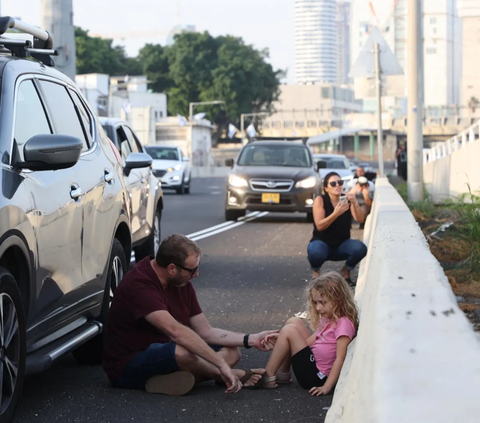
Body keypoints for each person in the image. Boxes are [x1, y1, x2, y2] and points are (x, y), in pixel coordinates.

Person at [102, 234, 277, 396]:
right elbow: (176, 332)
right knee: (185, 353)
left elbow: (205, 331)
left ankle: (180, 377)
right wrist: (222, 365)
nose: (197, 274)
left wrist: (251, 339)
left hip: (166, 351)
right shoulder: (139, 285)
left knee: (232, 352)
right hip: (128, 364)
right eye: (192, 270)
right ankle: (228, 375)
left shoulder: (180, 283)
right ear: (171, 268)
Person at [254, 271, 358, 395]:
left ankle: (268, 377)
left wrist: (326, 387)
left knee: (290, 330)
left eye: (322, 302)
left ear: (338, 299)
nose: (318, 308)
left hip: (317, 377)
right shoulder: (330, 317)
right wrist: (284, 340)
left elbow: (340, 359)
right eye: (315, 303)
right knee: (294, 322)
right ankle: (284, 375)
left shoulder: (344, 324)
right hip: (312, 362)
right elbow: (310, 341)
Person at [307, 172, 368, 286]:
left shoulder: (346, 199)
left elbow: (360, 219)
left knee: (360, 248)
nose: (337, 186)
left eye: (340, 182)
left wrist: (354, 203)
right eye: (333, 183)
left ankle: (346, 271)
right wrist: (336, 213)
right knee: (315, 251)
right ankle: (316, 272)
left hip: (342, 244)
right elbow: (320, 225)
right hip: (322, 243)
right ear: (326, 188)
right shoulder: (320, 200)